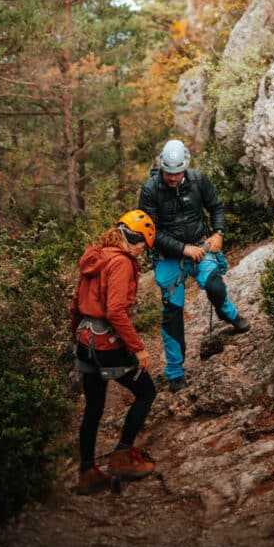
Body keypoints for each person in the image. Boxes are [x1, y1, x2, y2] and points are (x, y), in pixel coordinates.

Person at [139, 139, 249, 393]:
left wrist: (219, 232)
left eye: (178, 173)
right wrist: (182, 249)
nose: (174, 178)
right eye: (169, 173)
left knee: (215, 285)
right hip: (169, 257)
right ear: (161, 167)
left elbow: (216, 207)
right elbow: (151, 232)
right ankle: (175, 372)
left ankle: (228, 314)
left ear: (185, 168)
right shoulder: (150, 190)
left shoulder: (198, 180)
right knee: (171, 313)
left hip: (201, 246)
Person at [69, 209, 158, 493]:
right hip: (107, 344)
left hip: (85, 341)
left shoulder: (95, 257)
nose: (143, 250)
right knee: (146, 392)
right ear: (133, 239)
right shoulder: (122, 262)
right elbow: (115, 311)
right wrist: (138, 348)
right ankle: (122, 456)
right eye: (143, 243)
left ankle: (87, 473)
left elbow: (74, 303)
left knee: (93, 408)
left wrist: (79, 340)